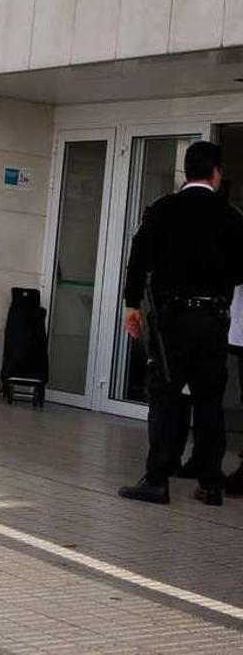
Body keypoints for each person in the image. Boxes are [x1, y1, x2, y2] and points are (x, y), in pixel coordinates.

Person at [118, 141, 243, 507]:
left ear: (186, 172)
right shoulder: (232, 216)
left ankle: (158, 479)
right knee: (209, 400)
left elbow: (138, 260)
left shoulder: (162, 210)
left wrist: (132, 305)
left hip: (171, 319)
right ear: (216, 173)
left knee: (165, 396)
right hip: (213, 320)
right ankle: (211, 482)